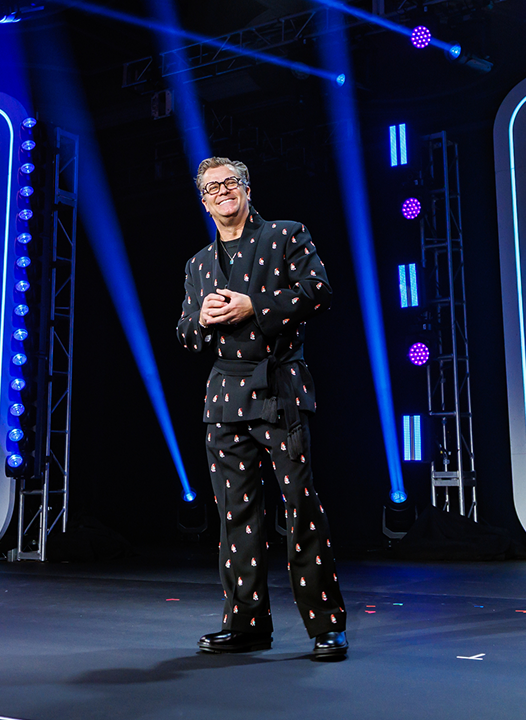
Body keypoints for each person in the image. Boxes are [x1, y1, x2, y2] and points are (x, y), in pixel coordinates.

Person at [177, 157, 347, 659]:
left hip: (280, 388)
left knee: (301, 508)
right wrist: (202, 321)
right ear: (204, 202)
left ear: (247, 189)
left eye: (230, 183)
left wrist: (255, 305)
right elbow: (185, 335)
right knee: (237, 517)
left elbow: (320, 292)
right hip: (224, 398)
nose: (223, 192)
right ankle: (246, 625)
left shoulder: (286, 235)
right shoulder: (198, 265)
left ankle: (326, 625)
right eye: (212, 188)